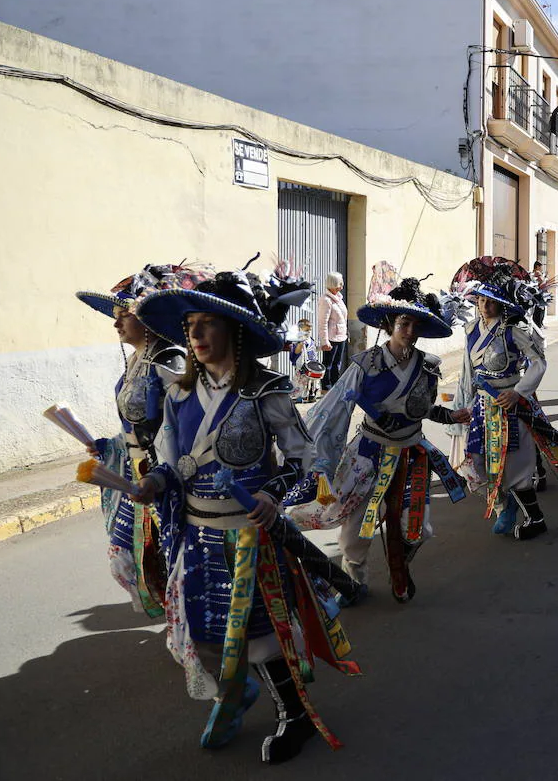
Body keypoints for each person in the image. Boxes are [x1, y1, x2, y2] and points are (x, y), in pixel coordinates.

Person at [134, 270, 357, 764]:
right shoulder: (179, 395)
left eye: (206, 324)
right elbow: (173, 466)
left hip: (251, 536)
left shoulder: (268, 391)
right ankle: (232, 695)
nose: (194, 335)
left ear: (232, 330)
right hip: (196, 536)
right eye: (189, 325)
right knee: (198, 629)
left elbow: (306, 463)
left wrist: (276, 496)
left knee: (261, 635)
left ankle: (295, 716)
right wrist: (154, 483)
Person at [293, 277, 470, 599]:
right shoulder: (365, 364)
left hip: (411, 453)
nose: (409, 331)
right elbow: (339, 403)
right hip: (368, 453)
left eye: (415, 324)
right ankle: (353, 581)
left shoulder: (428, 367)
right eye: (403, 322)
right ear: (390, 324)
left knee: (419, 529)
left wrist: (448, 415)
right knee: (354, 534)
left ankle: (399, 559)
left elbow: (423, 408)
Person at [75, 264, 193, 615]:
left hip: (167, 475)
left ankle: (188, 620)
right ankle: (176, 613)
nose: (116, 323)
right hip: (135, 471)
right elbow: (133, 425)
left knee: (175, 553)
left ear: (146, 319)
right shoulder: (136, 360)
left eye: (123, 314)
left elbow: (187, 422)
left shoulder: (170, 360)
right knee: (125, 556)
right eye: (116, 315)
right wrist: (110, 445)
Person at [446, 260, 558, 539]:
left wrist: (518, 392)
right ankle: (505, 505)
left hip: (510, 407)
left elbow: (538, 363)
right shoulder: (469, 332)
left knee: (514, 464)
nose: (485, 306)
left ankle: (535, 518)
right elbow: (467, 373)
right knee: (475, 465)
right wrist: (464, 405)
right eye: (480, 300)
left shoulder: (514, 331)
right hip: (480, 407)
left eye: (491, 302)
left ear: (501, 304)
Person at [316, 271, 348, 391]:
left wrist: (345, 333)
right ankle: (326, 387)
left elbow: (342, 318)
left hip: (341, 336)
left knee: (337, 364)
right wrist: (324, 341)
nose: (342, 286)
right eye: (340, 284)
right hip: (331, 338)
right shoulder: (326, 300)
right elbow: (322, 322)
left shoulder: (339, 298)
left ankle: (336, 386)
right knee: (328, 364)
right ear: (333, 284)